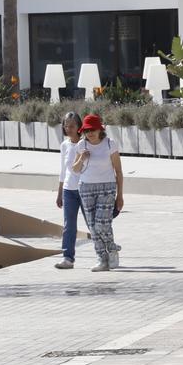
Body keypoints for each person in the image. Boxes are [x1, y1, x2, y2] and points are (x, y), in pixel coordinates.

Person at [71, 113, 124, 271]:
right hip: (86, 187)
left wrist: (120, 196)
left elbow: (119, 171)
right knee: (93, 227)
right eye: (86, 131)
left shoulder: (110, 144)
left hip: (107, 187)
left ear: (100, 130)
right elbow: (75, 169)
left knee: (102, 223)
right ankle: (102, 258)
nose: (90, 133)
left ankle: (112, 249)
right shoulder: (81, 145)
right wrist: (82, 158)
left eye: (93, 129)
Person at [54, 112, 83, 270]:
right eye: (66, 126)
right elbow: (63, 171)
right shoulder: (64, 145)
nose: (69, 128)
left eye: (72, 126)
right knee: (69, 226)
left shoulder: (85, 143)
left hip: (85, 189)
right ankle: (67, 258)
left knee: (94, 224)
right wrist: (59, 193)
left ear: (79, 127)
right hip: (68, 190)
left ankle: (105, 253)